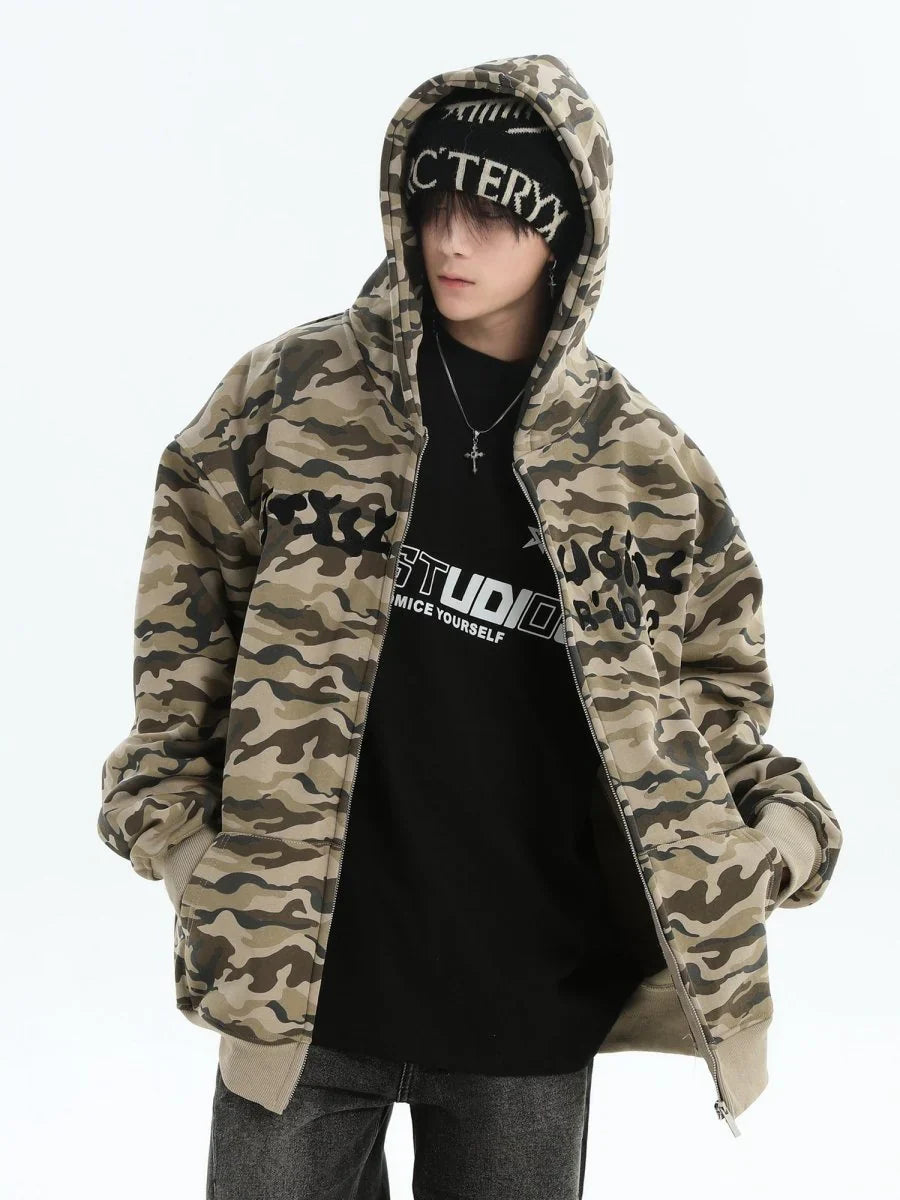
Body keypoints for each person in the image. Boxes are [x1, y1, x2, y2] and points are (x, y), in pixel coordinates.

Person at [97, 54, 843, 1199]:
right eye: (434, 203)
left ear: (566, 233)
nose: (452, 239)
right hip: (302, 988)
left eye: (494, 214)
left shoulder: (644, 465)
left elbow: (715, 702)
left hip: (527, 1006)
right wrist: (191, 853)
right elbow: (179, 641)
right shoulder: (286, 399)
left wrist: (765, 849)